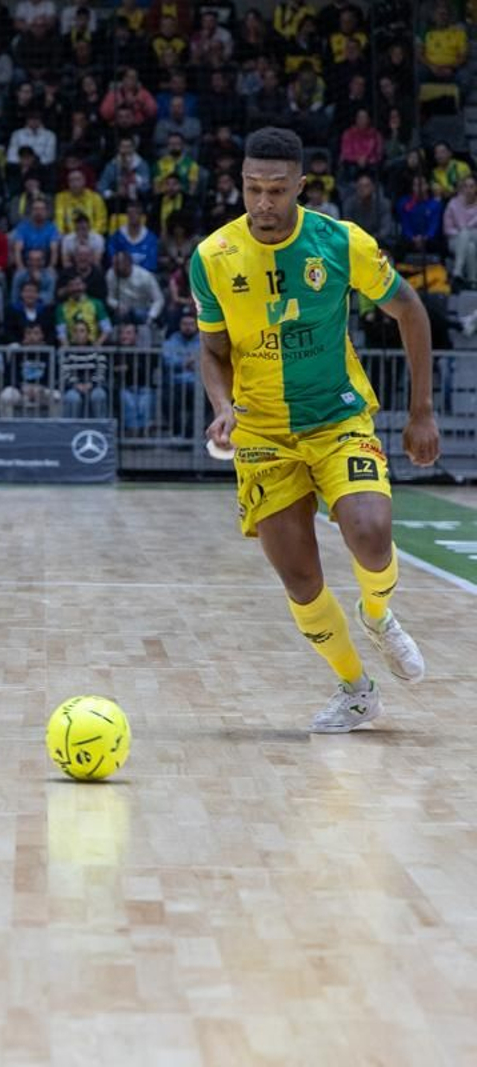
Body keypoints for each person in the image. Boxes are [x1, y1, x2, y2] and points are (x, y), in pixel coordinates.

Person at [190, 127, 440, 734]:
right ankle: (356, 689)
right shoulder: (213, 258)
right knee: (300, 577)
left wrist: (421, 410)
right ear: (241, 185)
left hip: (336, 418)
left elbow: (410, 308)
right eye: (253, 189)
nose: (264, 203)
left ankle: (377, 614)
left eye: (277, 190)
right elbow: (211, 350)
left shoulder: (340, 242)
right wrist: (222, 405)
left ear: (302, 186)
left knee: (371, 532)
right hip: (262, 433)